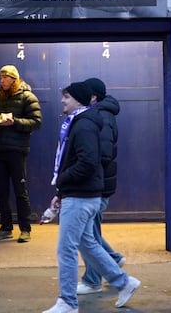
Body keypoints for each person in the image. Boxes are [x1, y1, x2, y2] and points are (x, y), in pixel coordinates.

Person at [43, 82, 140, 313]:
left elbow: (87, 162)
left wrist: (62, 182)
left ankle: (67, 301)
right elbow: (77, 160)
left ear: (79, 99)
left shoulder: (84, 124)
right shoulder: (81, 122)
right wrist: (60, 193)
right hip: (80, 194)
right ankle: (124, 282)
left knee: (65, 249)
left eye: (67, 97)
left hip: (81, 196)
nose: (63, 101)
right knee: (88, 244)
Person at [0, 65, 42, 243]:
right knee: (2, 191)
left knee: (20, 190)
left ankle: (25, 229)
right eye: (0, 77)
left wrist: (14, 122)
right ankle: (6, 228)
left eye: (5, 77)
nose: (1, 80)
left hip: (17, 151)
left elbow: (36, 122)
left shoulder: (27, 97)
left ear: (13, 79)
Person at [76, 77, 125, 295]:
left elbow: (101, 155)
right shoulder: (100, 114)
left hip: (97, 185)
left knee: (87, 235)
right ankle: (113, 260)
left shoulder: (101, 117)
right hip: (98, 183)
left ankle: (93, 279)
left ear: (93, 97)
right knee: (90, 232)